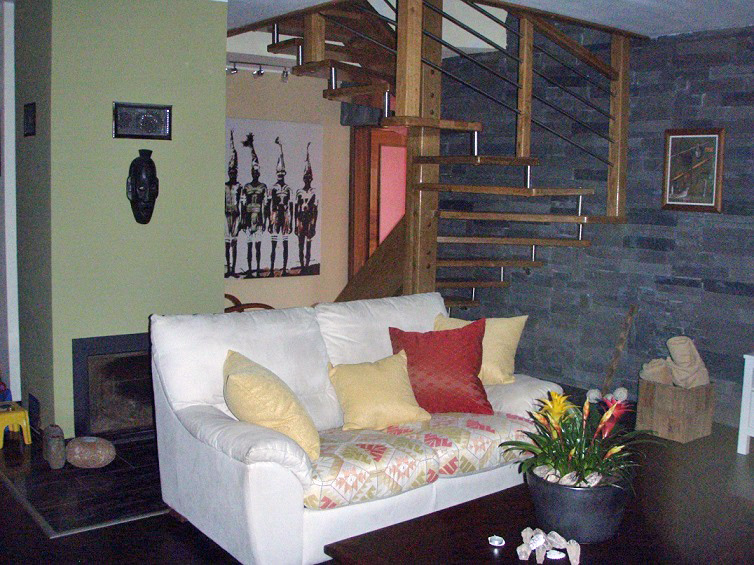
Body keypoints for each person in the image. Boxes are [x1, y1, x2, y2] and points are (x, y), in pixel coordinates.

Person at [240, 132, 268, 278]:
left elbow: (266, 205)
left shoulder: (263, 187)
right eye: (253, 171)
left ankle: (257, 269)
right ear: (251, 172)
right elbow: (243, 206)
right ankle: (250, 269)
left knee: (258, 246)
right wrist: (243, 221)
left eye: (257, 171)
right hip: (249, 217)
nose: (255, 173)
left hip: (259, 218)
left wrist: (265, 221)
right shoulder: (247, 187)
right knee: (249, 246)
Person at [268, 137, 294, 276]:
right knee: (273, 244)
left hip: (285, 215)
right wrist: (270, 220)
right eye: (278, 173)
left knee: (285, 243)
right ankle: (272, 269)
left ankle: (284, 269)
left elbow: (291, 205)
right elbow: (270, 205)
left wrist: (291, 222)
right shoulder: (273, 188)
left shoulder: (288, 188)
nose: (280, 176)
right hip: (275, 215)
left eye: (282, 174)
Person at [294, 142, 319, 274]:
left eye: (309, 177)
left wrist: (313, 224)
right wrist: (295, 224)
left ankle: (307, 265)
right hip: (301, 220)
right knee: (300, 244)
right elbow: (296, 209)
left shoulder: (314, 192)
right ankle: (302, 266)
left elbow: (315, 210)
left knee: (308, 244)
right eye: (306, 177)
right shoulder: (299, 192)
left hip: (309, 220)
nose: (307, 179)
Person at [224, 132, 241, 278]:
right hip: (225, 215)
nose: (232, 174)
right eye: (230, 172)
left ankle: (234, 269)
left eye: (234, 172)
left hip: (236, 215)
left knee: (234, 243)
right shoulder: (224, 186)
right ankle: (228, 268)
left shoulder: (239, 186)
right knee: (226, 243)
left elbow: (241, 202)